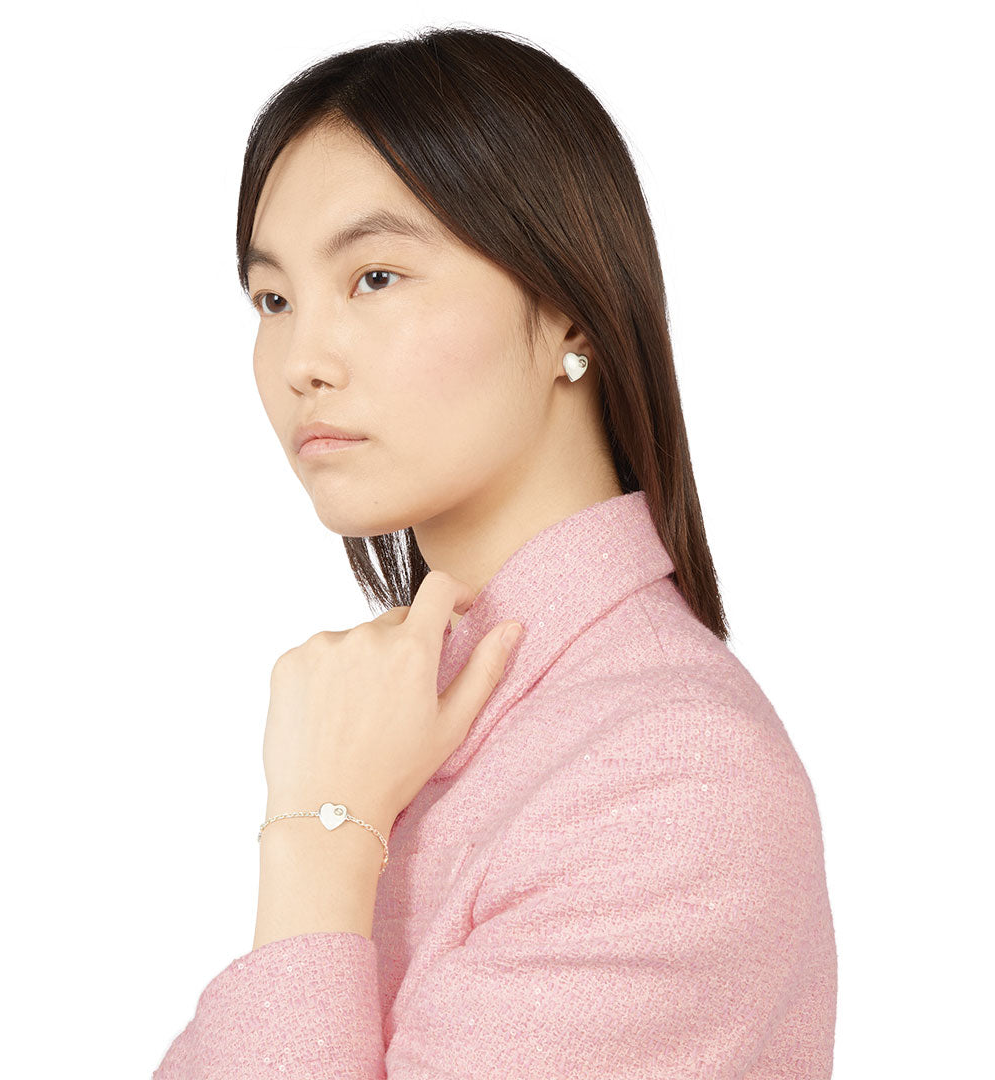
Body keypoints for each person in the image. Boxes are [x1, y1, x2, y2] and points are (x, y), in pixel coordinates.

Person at [154, 25, 836, 1079]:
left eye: (375, 277)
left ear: (568, 310)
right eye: (274, 299)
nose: (300, 360)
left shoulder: (671, 774)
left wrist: (317, 836)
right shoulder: (397, 722)